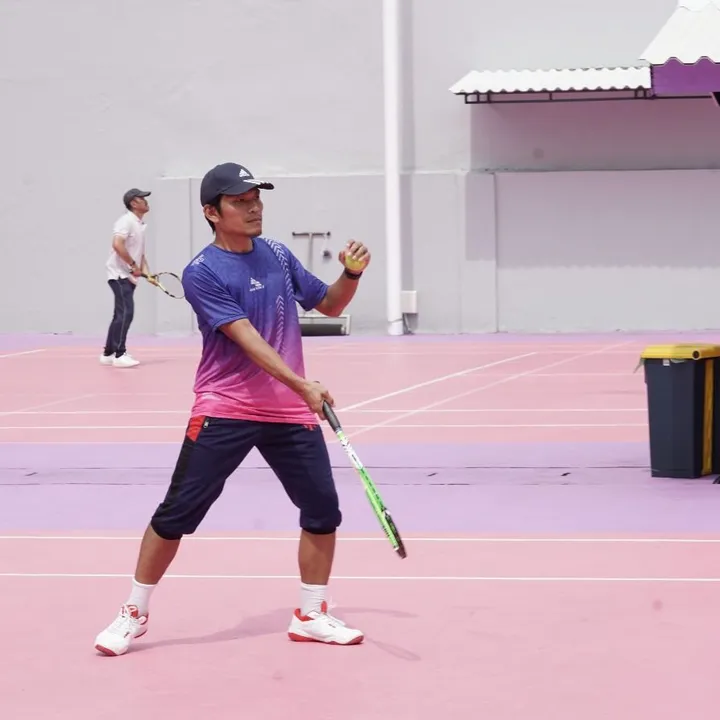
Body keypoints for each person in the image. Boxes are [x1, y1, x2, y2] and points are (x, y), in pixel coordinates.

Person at [93, 162, 370, 656]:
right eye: (240, 201)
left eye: (256, 198)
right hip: (227, 406)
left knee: (323, 509)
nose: (254, 207)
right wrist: (303, 384)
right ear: (212, 212)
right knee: (177, 513)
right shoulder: (203, 272)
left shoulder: (278, 255)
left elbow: (329, 304)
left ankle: (311, 614)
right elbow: (247, 340)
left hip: (287, 410)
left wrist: (350, 273)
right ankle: (133, 611)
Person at [100, 188, 152, 368]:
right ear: (133, 203)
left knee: (119, 314)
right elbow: (117, 244)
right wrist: (132, 265)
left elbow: (140, 253)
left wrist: (147, 273)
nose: (146, 201)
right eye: (142, 198)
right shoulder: (126, 221)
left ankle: (108, 353)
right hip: (119, 274)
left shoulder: (139, 224)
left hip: (127, 275)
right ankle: (119, 354)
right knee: (126, 313)